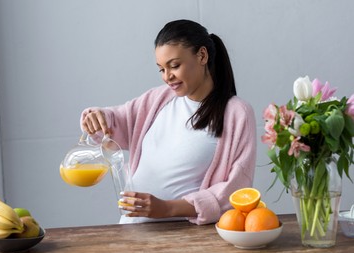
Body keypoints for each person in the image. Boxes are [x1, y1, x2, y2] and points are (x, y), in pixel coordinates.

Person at [80, 19, 257, 225]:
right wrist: (97, 116)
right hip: (130, 231)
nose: (167, 77)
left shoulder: (236, 113)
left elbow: (236, 191)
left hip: (184, 239)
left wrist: (166, 208)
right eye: (161, 69)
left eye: (174, 66)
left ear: (202, 56)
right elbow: (116, 121)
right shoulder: (157, 99)